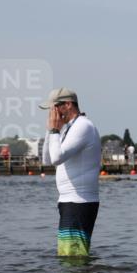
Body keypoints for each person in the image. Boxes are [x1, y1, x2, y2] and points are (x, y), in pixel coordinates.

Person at [40, 88, 101, 257]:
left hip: (79, 201)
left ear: (68, 105)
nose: (52, 113)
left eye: (54, 108)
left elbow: (57, 158)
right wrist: (50, 130)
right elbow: (47, 159)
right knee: (69, 256)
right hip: (69, 201)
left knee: (73, 258)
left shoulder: (83, 126)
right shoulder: (69, 128)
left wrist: (54, 131)